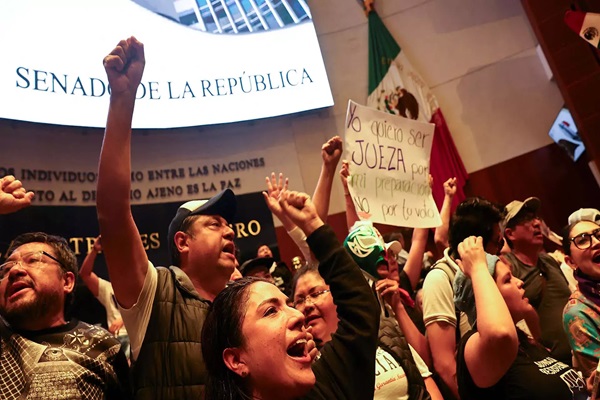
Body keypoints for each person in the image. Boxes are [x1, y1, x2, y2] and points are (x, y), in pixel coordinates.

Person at [98, 36, 238, 398]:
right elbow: (112, 213)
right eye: (215, 223)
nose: (230, 231)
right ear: (182, 242)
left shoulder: (244, 303)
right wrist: (123, 98)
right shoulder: (152, 294)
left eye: (229, 224)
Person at [202, 190, 380, 400]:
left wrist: (313, 225)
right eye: (270, 311)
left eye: (289, 305)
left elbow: (362, 310)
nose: (299, 316)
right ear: (236, 359)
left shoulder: (327, 384)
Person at [0, 232, 131, 398]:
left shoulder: (103, 346)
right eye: (6, 268)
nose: (14, 270)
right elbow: (86, 274)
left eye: (33, 260)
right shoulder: (108, 288)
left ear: (67, 282)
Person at [454, 236, 587, 400]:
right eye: (508, 279)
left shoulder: (523, 340)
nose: (520, 282)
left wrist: (581, 387)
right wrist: (478, 268)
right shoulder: (474, 343)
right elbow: (500, 333)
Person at [341, 220, 442, 398]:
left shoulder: (400, 295)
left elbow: (426, 364)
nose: (388, 259)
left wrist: (397, 307)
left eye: (392, 254)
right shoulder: (355, 309)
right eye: (384, 253)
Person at [421, 196, 504, 400]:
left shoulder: (495, 267)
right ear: (475, 244)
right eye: (497, 243)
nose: (500, 251)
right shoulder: (440, 278)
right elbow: (444, 363)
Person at [501, 197, 572, 364]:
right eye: (526, 219)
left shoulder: (549, 260)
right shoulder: (508, 269)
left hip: (582, 353)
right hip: (552, 364)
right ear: (510, 234)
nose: (536, 223)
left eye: (535, 217)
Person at [79, 235, 130, 359]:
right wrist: (95, 250)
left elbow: (148, 308)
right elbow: (85, 274)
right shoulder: (108, 288)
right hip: (115, 339)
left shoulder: (139, 286)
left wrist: (124, 319)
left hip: (134, 337)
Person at [562, 218, 600, 379]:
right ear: (570, 261)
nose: (597, 242)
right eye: (583, 240)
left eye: (599, 234)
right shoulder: (577, 313)